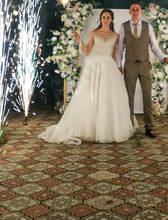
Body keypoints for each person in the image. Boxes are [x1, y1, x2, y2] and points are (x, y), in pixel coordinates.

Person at [39, 9, 137, 144]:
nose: (106, 19)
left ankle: (106, 129)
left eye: (108, 17)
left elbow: (115, 55)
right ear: (101, 19)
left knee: (108, 98)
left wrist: (119, 66)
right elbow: (87, 51)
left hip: (109, 68)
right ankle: (89, 129)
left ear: (112, 20)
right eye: (104, 17)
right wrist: (79, 40)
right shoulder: (94, 33)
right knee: (90, 97)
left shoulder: (116, 36)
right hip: (95, 67)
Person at [116, 3, 168, 138]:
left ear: (141, 12)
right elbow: (120, 48)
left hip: (144, 65)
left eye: (137, 9)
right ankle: (129, 126)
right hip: (129, 66)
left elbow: (154, 47)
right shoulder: (123, 26)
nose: (135, 11)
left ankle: (149, 127)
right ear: (129, 12)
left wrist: (164, 59)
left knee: (147, 97)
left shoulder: (148, 27)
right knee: (128, 98)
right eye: (133, 9)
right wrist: (119, 65)